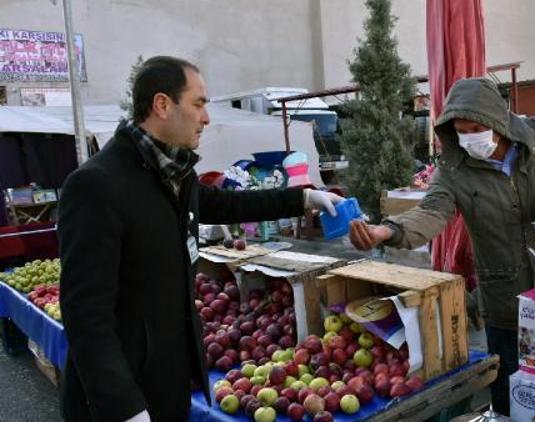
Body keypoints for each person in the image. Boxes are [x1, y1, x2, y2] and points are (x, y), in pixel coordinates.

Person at [58, 56, 342, 422]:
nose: (206, 117)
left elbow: (226, 204)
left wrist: (303, 198)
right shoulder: (97, 185)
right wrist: (123, 407)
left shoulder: (176, 174)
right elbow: (85, 314)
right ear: (162, 105)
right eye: (198, 103)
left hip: (169, 384)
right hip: (120, 399)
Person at [349, 77, 535, 415]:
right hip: (505, 303)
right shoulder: (453, 169)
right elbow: (432, 212)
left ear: (498, 120)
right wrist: (388, 232)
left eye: (476, 127)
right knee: (512, 400)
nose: (468, 138)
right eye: (461, 131)